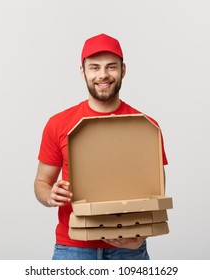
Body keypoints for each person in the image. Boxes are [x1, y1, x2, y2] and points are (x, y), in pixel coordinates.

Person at [34, 33, 168, 260]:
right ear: (82, 71)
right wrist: (49, 195)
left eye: (111, 67)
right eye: (94, 67)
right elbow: (41, 183)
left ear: (123, 70)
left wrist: (142, 233)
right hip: (73, 248)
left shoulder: (146, 126)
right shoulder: (58, 123)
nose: (103, 75)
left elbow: (156, 190)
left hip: (129, 248)